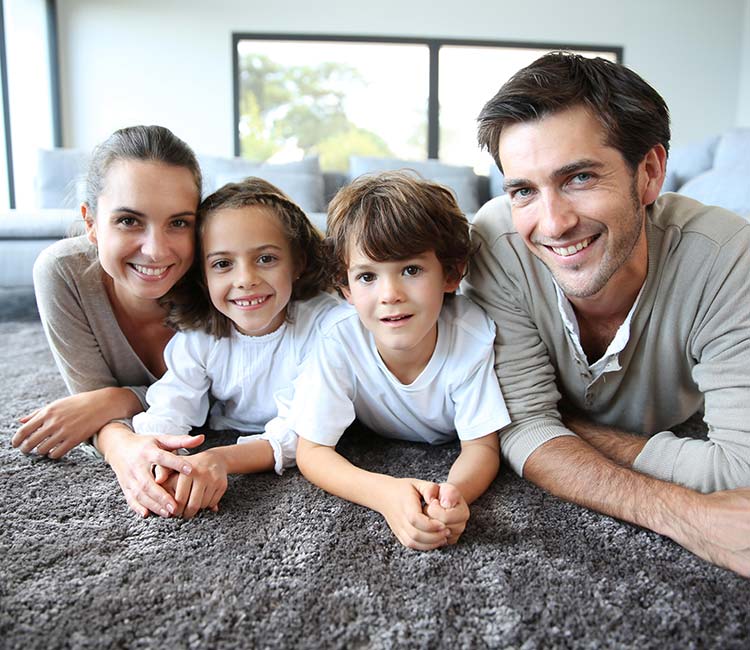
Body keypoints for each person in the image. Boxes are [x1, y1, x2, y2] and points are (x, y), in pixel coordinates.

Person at [464, 51, 750, 576]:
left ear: (649, 173)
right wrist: (682, 513)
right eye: (524, 190)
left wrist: (562, 427)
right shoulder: (498, 243)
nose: (552, 223)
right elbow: (522, 426)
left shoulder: (730, 259)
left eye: (578, 178)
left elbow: (741, 472)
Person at [293, 171, 509, 550]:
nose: (389, 294)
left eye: (410, 270)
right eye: (367, 277)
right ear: (345, 288)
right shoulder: (338, 339)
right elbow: (312, 451)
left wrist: (450, 497)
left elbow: (481, 446)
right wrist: (386, 494)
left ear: (451, 273)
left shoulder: (472, 334)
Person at [12, 125, 205, 519]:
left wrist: (115, 398)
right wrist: (123, 449)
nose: (155, 250)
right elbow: (91, 401)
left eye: (179, 223)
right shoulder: (63, 274)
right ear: (91, 223)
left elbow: (230, 398)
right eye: (129, 221)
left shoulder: (220, 276)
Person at [132, 177, 337, 518]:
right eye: (223, 264)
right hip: (228, 428)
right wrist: (165, 463)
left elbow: (302, 431)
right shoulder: (200, 337)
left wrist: (220, 459)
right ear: (203, 276)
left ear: (298, 262)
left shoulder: (324, 328)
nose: (245, 279)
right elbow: (172, 405)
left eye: (266, 259)